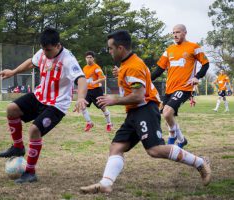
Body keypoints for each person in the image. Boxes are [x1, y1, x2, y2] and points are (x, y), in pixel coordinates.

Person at [80, 30, 211, 194]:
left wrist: (114, 100)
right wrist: (120, 74)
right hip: (135, 111)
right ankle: (106, 184)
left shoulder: (134, 66)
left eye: (111, 48)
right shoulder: (127, 64)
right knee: (117, 146)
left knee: (155, 150)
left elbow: (138, 95)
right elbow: (131, 84)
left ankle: (200, 163)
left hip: (145, 108)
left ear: (120, 48)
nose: (109, 51)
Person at [0, 28, 88, 184]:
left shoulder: (68, 59)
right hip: (39, 96)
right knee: (11, 109)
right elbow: (31, 62)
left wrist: (80, 98)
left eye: (48, 50)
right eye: (43, 49)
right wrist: (13, 72)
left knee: (34, 130)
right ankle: (18, 147)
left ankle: (30, 173)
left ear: (58, 46)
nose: (45, 53)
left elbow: (81, 79)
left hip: (56, 105)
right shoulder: (43, 52)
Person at [151, 24, 209, 148]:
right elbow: (159, 69)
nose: (175, 35)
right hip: (169, 89)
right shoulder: (169, 50)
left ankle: (172, 137)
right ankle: (182, 140)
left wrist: (197, 77)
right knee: (168, 118)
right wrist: (146, 80)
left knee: (167, 113)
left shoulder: (194, 47)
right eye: (173, 33)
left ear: (184, 33)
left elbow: (206, 64)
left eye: (177, 32)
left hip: (184, 87)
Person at [82, 51, 113, 132]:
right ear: (85, 59)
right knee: (82, 106)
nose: (89, 59)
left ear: (93, 58)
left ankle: (109, 123)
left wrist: (95, 82)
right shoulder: (84, 68)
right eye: (87, 57)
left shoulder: (96, 67)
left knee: (102, 107)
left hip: (97, 91)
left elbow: (103, 78)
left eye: (90, 57)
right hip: (88, 91)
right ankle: (89, 123)